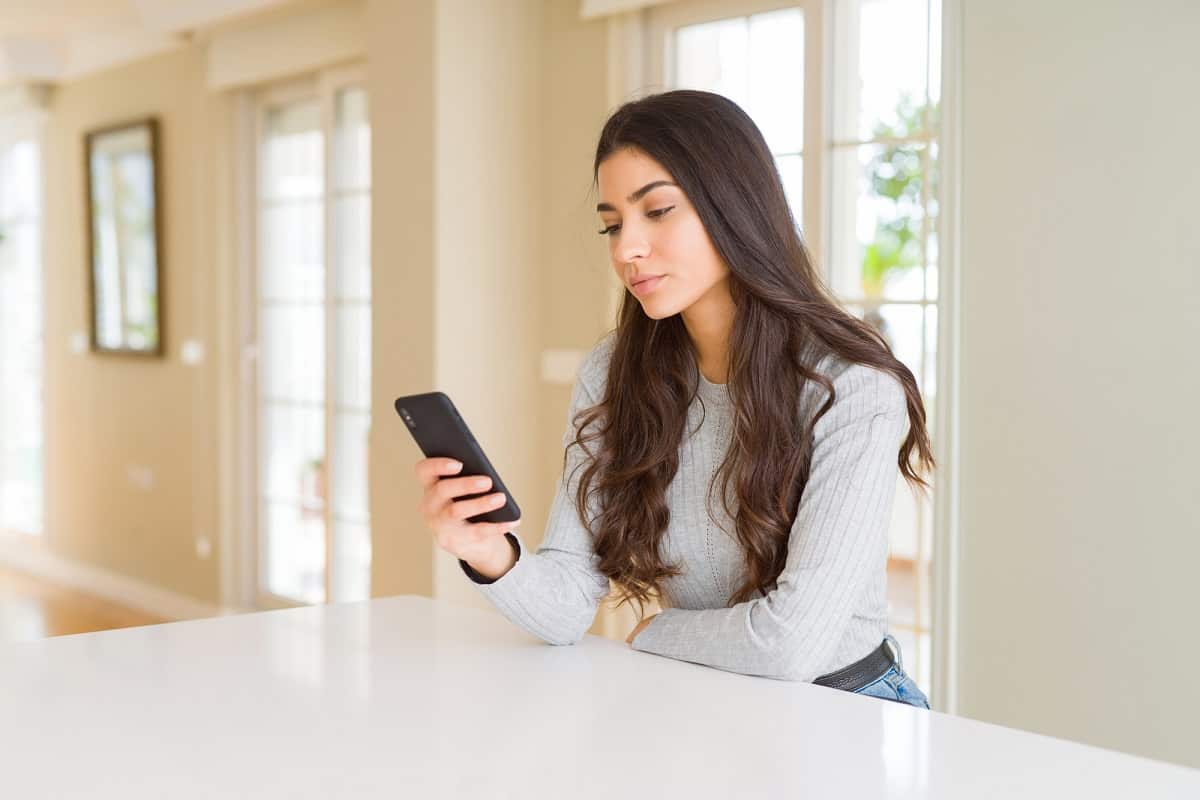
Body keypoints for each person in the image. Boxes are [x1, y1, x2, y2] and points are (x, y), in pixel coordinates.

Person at [414, 90, 935, 709]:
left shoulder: (849, 384)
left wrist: (660, 630)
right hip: (702, 696)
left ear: (734, 207)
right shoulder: (614, 372)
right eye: (612, 224)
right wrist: (489, 552)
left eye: (657, 211)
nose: (625, 249)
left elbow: (792, 645)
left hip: (845, 706)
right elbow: (564, 611)